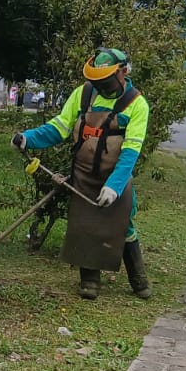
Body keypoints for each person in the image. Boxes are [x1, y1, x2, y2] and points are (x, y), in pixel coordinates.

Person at [13, 48, 151, 301]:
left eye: (105, 80)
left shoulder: (136, 104)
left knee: (123, 223)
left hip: (115, 174)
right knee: (84, 223)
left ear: (123, 72)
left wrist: (114, 186)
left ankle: (138, 278)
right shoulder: (83, 94)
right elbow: (59, 128)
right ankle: (89, 280)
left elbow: (131, 152)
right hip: (84, 172)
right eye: (96, 80)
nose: (100, 85)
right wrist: (28, 138)